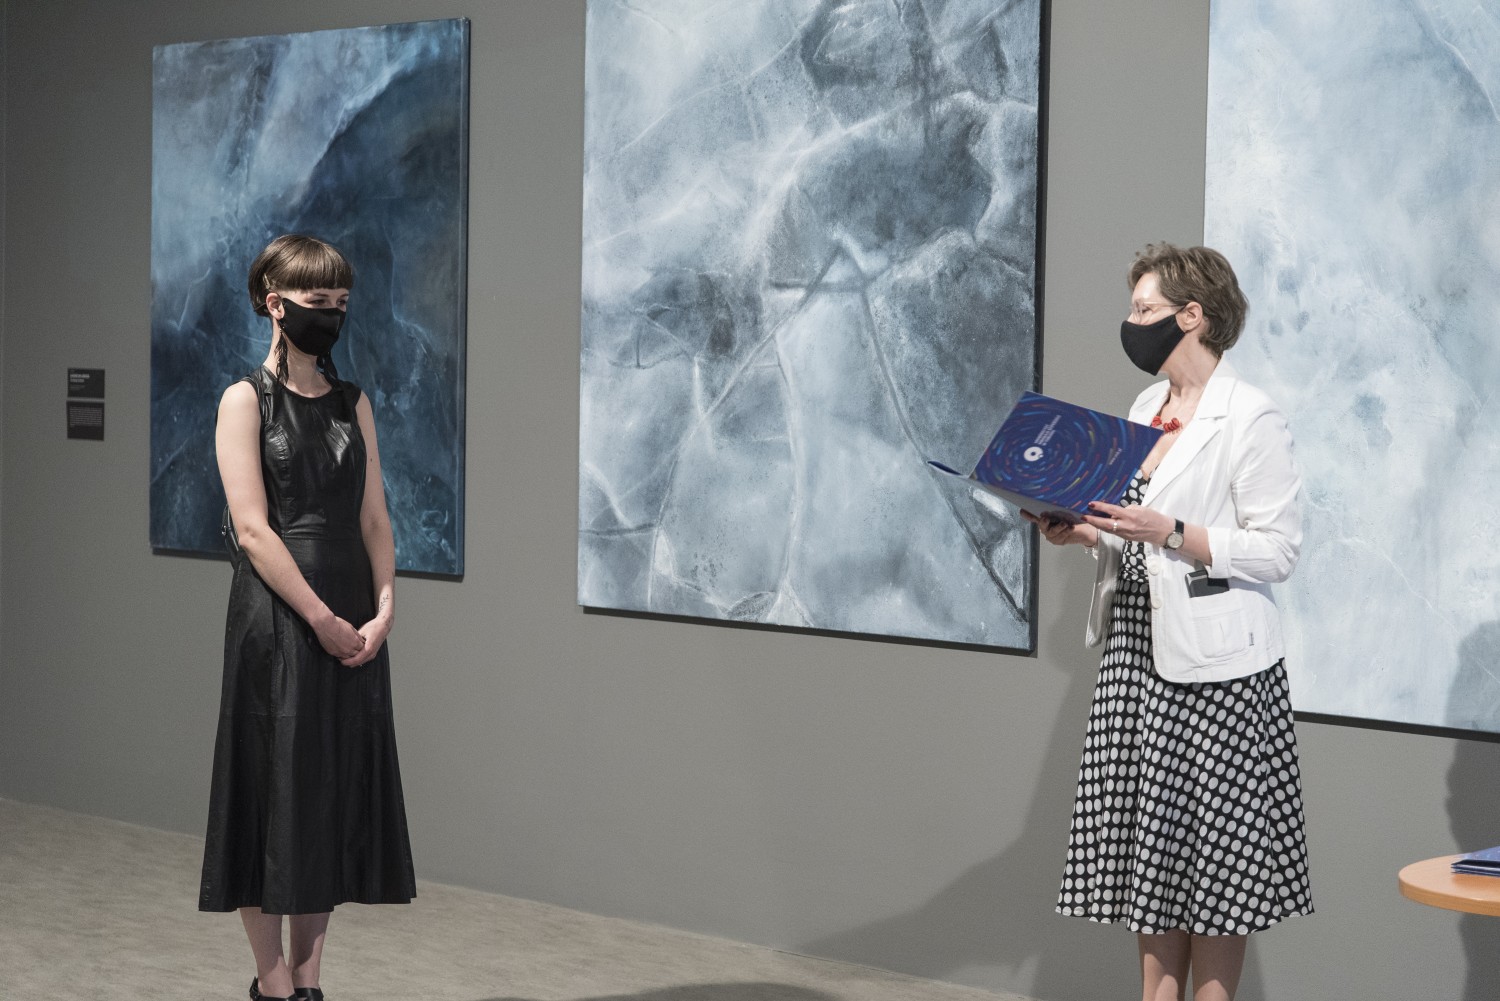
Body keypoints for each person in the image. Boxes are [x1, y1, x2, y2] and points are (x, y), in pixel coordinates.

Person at [1025, 244, 1311, 1001]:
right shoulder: (1145, 409)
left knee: (1217, 868)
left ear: (1192, 315)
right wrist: (1084, 534)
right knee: (1152, 863)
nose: (1131, 323)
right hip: (1136, 661)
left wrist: (1175, 532)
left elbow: (1278, 551)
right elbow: (1133, 532)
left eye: (1144, 309)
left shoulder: (1250, 415)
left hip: (1218, 676)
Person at [199, 234, 416, 1001]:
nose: (332, 315)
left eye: (341, 303)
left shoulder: (355, 403)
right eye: (318, 302)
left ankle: (309, 982)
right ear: (275, 304)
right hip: (278, 621)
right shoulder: (244, 401)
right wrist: (321, 617)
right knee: (270, 791)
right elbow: (253, 529)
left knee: (323, 792)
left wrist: (384, 608)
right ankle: (271, 980)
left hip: (350, 620)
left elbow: (375, 519)